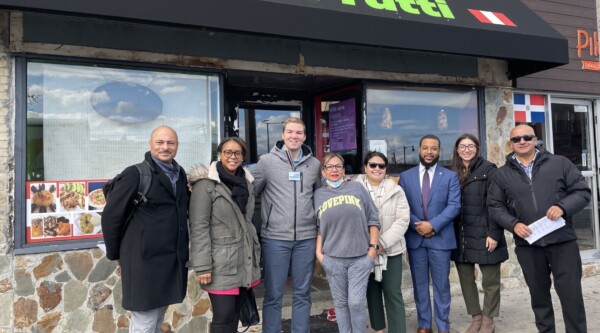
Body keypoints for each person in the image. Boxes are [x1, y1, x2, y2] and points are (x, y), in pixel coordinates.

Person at [487, 124, 590, 333]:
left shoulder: (559, 163)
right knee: (539, 299)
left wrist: (562, 207)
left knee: (572, 297)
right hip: (529, 245)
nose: (522, 141)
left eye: (527, 137)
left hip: (563, 243)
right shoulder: (501, 174)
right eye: (516, 139)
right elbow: (494, 206)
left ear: (536, 140)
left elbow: (582, 192)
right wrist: (513, 224)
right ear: (510, 143)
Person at [101, 126, 189, 333]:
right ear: (150, 145)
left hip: (170, 261)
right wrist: (117, 254)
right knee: (145, 324)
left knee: (156, 321)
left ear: (177, 146)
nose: (165, 147)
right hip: (144, 263)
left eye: (170, 143)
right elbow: (111, 217)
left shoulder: (180, 173)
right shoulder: (135, 174)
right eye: (160, 142)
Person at [252, 117, 322, 333]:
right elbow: (250, 191)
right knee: (274, 294)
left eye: (299, 132)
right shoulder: (266, 162)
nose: (294, 136)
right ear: (282, 135)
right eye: (290, 132)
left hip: (306, 237)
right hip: (275, 237)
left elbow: (319, 196)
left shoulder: (315, 164)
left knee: (302, 293)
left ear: (304, 136)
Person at [187, 137, 261, 333]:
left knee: (235, 316)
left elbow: (247, 222)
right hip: (220, 263)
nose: (232, 156)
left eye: (237, 153)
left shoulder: (247, 182)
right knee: (223, 317)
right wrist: (202, 266)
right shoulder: (206, 186)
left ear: (243, 157)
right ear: (219, 154)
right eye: (227, 152)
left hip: (243, 259)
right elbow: (199, 227)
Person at [399, 134, 461, 333]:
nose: (429, 152)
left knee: (442, 286)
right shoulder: (406, 177)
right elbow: (401, 206)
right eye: (425, 148)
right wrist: (418, 225)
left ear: (439, 151)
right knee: (420, 285)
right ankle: (424, 324)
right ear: (419, 150)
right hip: (416, 239)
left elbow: (454, 206)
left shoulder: (450, 176)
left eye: (433, 148)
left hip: (440, 239)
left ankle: (443, 326)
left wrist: (432, 225)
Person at [314, 153, 380, 333]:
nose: (334, 170)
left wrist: (372, 250)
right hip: (333, 259)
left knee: (356, 302)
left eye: (338, 166)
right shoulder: (318, 195)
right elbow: (318, 228)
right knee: (341, 304)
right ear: (323, 170)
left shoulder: (357, 188)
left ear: (344, 170)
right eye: (330, 166)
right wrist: (320, 255)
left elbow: (373, 219)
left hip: (360, 258)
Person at [450, 134, 508, 333]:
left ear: (477, 148)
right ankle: (476, 318)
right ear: (457, 149)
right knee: (466, 280)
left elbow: (497, 203)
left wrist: (494, 233)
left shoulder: (489, 170)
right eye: (462, 146)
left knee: (490, 281)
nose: (467, 149)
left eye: (471, 146)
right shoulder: (451, 172)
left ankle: (488, 320)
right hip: (462, 235)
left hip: (486, 234)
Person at [354, 151, 409, 333]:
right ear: (365, 167)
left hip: (391, 250)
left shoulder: (396, 190)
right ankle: (378, 329)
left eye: (381, 166)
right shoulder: (353, 188)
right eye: (372, 165)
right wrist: (369, 244)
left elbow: (402, 220)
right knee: (372, 293)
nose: (377, 169)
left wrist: (381, 242)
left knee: (393, 292)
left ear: (386, 169)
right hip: (363, 251)